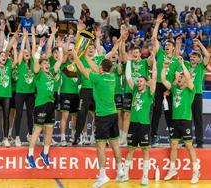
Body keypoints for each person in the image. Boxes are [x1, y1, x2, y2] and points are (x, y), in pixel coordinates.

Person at [72, 50, 125, 188]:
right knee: (115, 144)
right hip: (113, 114)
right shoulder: (111, 77)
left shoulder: (97, 78)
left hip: (103, 116)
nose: (97, 67)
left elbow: (83, 69)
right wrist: (84, 55)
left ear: (101, 68)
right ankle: (120, 170)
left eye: (99, 66)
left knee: (100, 146)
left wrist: (77, 56)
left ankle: (102, 176)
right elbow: (95, 67)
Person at [162, 56, 200, 184]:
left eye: (181, 77)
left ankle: (195, 171)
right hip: (175, 120)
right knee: (173, 145)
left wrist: (182, 64)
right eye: (178, 77)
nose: (179, 78)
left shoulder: (191, 90)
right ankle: (172, 169)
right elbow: (163, 80)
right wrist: (164, 68)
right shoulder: (174, 89)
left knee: (189, 146)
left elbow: (189, 78)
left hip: (185, 121)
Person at [120, 52, 157, 185]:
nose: (138, 82)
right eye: (138, 81)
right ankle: (125, 174)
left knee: (145, 149)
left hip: (144, 125)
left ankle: (145, 176)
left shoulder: (149, 93)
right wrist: (129, 61)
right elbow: (128, 76)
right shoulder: (134, 90)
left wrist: (155, 65)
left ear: (145, 83)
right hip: (133, 124)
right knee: (130, 149)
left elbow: (154, 78)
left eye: (141, 81)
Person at [26, 37, 63, 168]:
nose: (47, 64)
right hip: (40, 105)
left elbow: (59, 61)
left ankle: (45, 154)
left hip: (50, 104)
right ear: (41, 66)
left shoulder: (51, 73)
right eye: (45, 63)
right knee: (37, 130)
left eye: (48, 63)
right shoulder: (38, 74)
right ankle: (29, 155)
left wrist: (59, 47)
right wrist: (40, 48)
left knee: (49, 131)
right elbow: (35, 61)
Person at [150, 14, 182, 146]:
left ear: (173, 48)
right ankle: (153, 137)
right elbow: (153, 39)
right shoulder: (161, 54)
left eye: (170, 45)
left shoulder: (175, 61)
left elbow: (178, 77)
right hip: (158, 85)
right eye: (166, 44)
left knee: (170, 113)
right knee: (156, 111)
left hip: (169, 88)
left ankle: (173, 137)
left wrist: (170, 89)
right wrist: (157, 24)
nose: (167, 46)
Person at [0, 29, 18, 146]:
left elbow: (15, 61)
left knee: (6, 116)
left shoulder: (9, 66)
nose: (3, 56)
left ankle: (5, 138)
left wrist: (14, 48)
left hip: (7, 95)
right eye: (1, 55)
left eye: (5, 55)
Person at [184, 39, 210, 148]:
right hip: (186, 95)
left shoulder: (200, 67)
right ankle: (187, 141)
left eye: (195, 56)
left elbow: (207, 55)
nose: (192, 58)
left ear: (199, 59)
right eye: (191, 56)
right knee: (187, 119)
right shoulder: (186, 65)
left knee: (198, 119)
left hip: (197, 95)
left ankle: (199, 142)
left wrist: (199, 44)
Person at [13, 28, 35, 147]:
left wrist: (29, 40)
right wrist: (25, 37)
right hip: (20, 92)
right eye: (25, 53)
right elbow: (22, 51)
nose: (26, 53)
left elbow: (30, 50)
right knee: (19, 114)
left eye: (28, 53)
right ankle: (17, 137)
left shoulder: (32, 64)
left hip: (30, 93)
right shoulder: (20, 63)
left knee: (30, 114)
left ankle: (31, 135)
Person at [59, 35, 79, 146]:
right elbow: (65, 52)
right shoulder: (64, 64)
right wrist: (70, 40)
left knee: (75, 117)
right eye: (70, 54)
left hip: (76, 94)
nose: (71, 56)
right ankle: (62, 138)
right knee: (65, 116)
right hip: (65, 93)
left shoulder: (78, 65)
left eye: (73, 54)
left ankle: (72, 137)